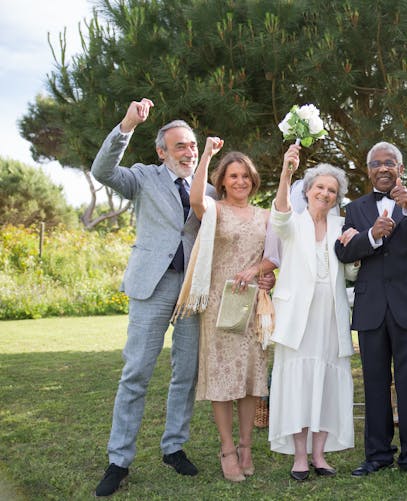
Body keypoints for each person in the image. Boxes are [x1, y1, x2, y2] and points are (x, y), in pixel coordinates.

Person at [91, 98, 214, 497]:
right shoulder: (143, 177)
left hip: (192, 290)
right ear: (162, 151)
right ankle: (119, 460)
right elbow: (102, 170)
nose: (188, 151)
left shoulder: (208, 187)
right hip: (153, 286)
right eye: (180, 146)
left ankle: (173, 447)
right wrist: (127, 124)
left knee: (186, 372)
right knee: (136, 372)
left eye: (192, 145)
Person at [334, 141, 407, 483]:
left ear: (401, 167)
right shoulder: (354, 209)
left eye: (390, 163)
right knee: (374, 383)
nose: (382, 168)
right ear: (368, 170)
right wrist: (371, 235)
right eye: (376, 164)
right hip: (371, 307)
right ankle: (378, 455)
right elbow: (343, 252)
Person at [176, 137, 276, 482]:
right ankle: (227, 449)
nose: (240, 182)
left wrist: (265, 275)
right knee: (222, 379)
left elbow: (273, 258)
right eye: (233, 176)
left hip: (251, 307)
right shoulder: (214, 210)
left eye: (245, 176)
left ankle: (247, 447)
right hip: (219, 304)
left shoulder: (265, 216)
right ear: (222, 181)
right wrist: (205, 155)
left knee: (249, 379)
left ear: (253, 180)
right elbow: (193, 197)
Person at [267, 144, 356, 481]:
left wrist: (355, 254)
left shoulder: (341, 227)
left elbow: (350, 275)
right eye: (319, 187)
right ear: (306, 191)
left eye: (332, 190)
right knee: (299, 385)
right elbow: (279, 213)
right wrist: (287, 170)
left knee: (327, 383)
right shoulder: (294, 224)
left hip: (331, 319)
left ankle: (320, 455)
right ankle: (300, 457)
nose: (325, 193)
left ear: (337, 197)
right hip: (297, 321)